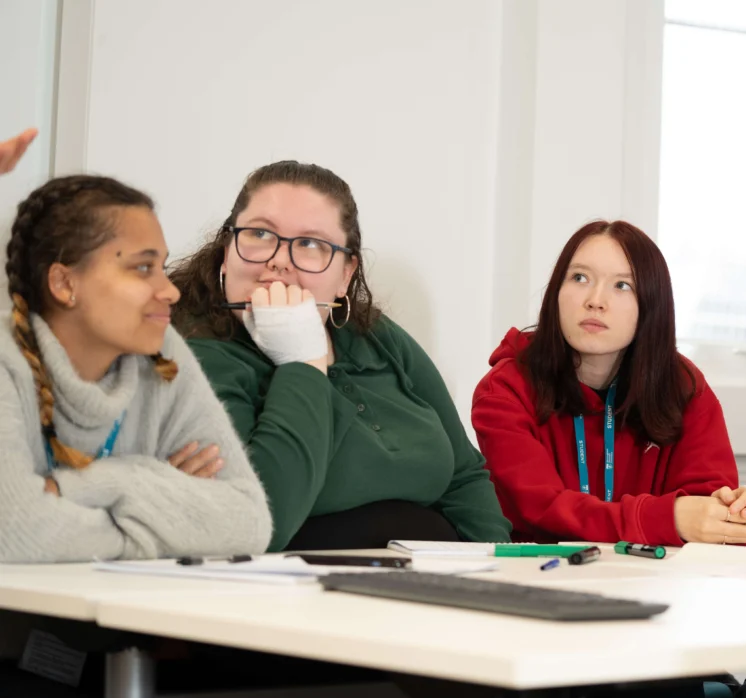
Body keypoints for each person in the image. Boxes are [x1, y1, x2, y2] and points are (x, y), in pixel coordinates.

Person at [169, 160, 510, 551]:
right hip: (299, 597)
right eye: (260, 233)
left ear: (346, 272)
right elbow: (263, 521)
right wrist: (303, 360)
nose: (279, 259)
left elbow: (464, 475)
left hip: (435, 587)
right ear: (227, 248)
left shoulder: (378, 336)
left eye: (311, 244)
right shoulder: (191, 351)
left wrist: (497, 567)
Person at [0, 174, 271, 562]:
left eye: (162, 266)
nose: (170, 290)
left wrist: (116, 479)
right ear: (64, 283)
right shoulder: (5, 361)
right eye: (143, 268)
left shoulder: (161, 355)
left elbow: (249, 523)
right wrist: (168, 511)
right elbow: (14, 532)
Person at [472, 219, 746, 546]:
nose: (595, 300)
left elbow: (704, 504)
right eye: (579, 278)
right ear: (556, 292)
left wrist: (731, 513)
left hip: (658, 581)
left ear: (651, 305)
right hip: (541, 577)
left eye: (622, 285)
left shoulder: (683, 387)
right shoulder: (506, 389)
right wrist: (668, 518)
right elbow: (541, 511)